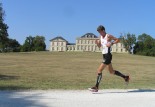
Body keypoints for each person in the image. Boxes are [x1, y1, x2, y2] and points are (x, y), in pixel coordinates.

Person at [89, 25, 130, 92]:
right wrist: (97, 43)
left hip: (108, 55)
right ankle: (125, 77)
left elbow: (118, 40)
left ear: (103, 30)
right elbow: (100, 46)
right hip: (104, 55)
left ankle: (96, 87)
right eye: (98, 32)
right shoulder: (100, 37)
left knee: (99, 70)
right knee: (111, 72)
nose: (99, 33)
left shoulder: (108, 36)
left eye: (100, 31)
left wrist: (111, 43)